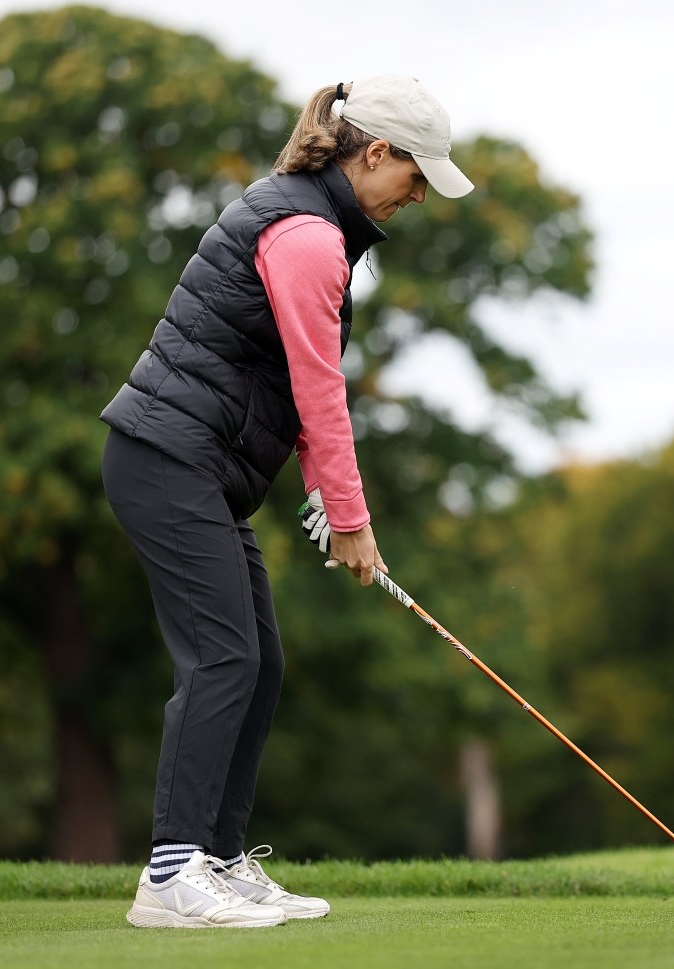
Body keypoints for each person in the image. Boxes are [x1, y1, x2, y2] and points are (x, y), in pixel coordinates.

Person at [99, 75, 474, 928]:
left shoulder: (315, 222)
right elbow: (319, 385)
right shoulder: (307, 235)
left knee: (258, 663)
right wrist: (350, 517)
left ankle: (220, 859)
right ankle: (170, 875)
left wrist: (320, 492)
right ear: (374, 152)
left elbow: (286, 380)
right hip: (166, 459)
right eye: (415, 176)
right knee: (222, 659)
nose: (418, 195)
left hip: (195, 468)